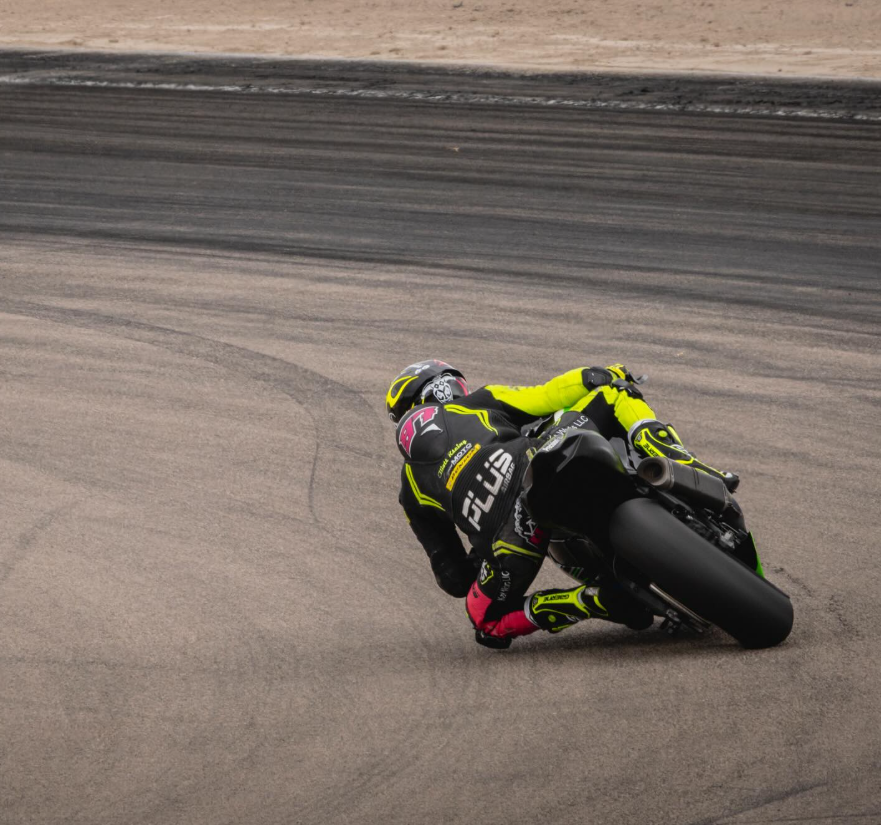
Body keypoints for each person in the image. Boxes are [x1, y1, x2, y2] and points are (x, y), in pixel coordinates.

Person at [387, 359, 740, 649]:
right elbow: (550, 394)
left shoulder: (410, 491)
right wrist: (606, 373)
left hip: (513, 540)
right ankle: (685, 465)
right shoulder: (476, 402)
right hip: (536, 465)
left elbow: (453, 578)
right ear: (443, 389)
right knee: (612, 395)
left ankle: (590, 601)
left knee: (485, 622)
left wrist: (483, 549)